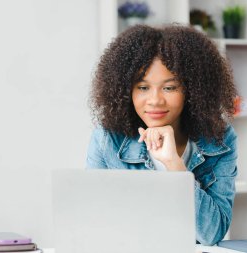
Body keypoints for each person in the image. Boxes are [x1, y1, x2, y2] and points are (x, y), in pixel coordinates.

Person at [86, 24, 238, 246]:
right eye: (143, 87)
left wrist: (174, 165)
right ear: (126, 90)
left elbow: (211, 233)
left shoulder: (220, 140)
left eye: (169, 88)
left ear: (193, 90)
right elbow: (91, 224)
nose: (155, 100)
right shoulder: (107, 138)